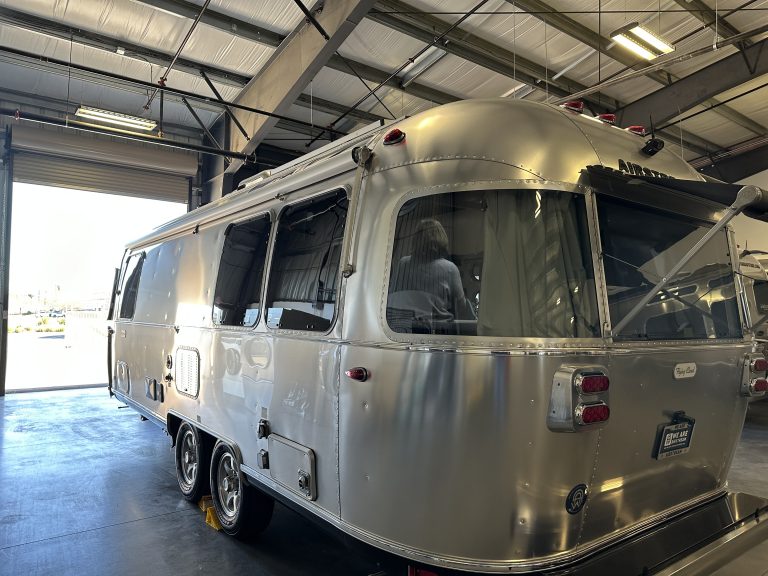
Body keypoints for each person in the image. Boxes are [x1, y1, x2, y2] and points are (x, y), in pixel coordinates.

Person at [388, 219, 473, 333]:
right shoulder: (450, 268)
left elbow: (393, 295)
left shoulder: (402, 263)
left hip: (402, 330)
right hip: (437, 333)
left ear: (416, 240)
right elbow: (461, 308)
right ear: (441, 239)